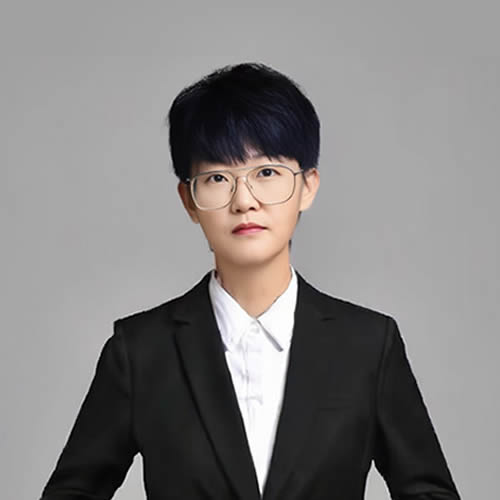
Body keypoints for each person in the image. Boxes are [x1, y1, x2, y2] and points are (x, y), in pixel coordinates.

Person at [39, 62, 461, 500]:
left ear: (308, 186)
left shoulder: (369, 346)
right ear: (189, 199)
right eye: (217, 178)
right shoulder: (140, 351)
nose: (244, 201)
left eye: (267, 173)